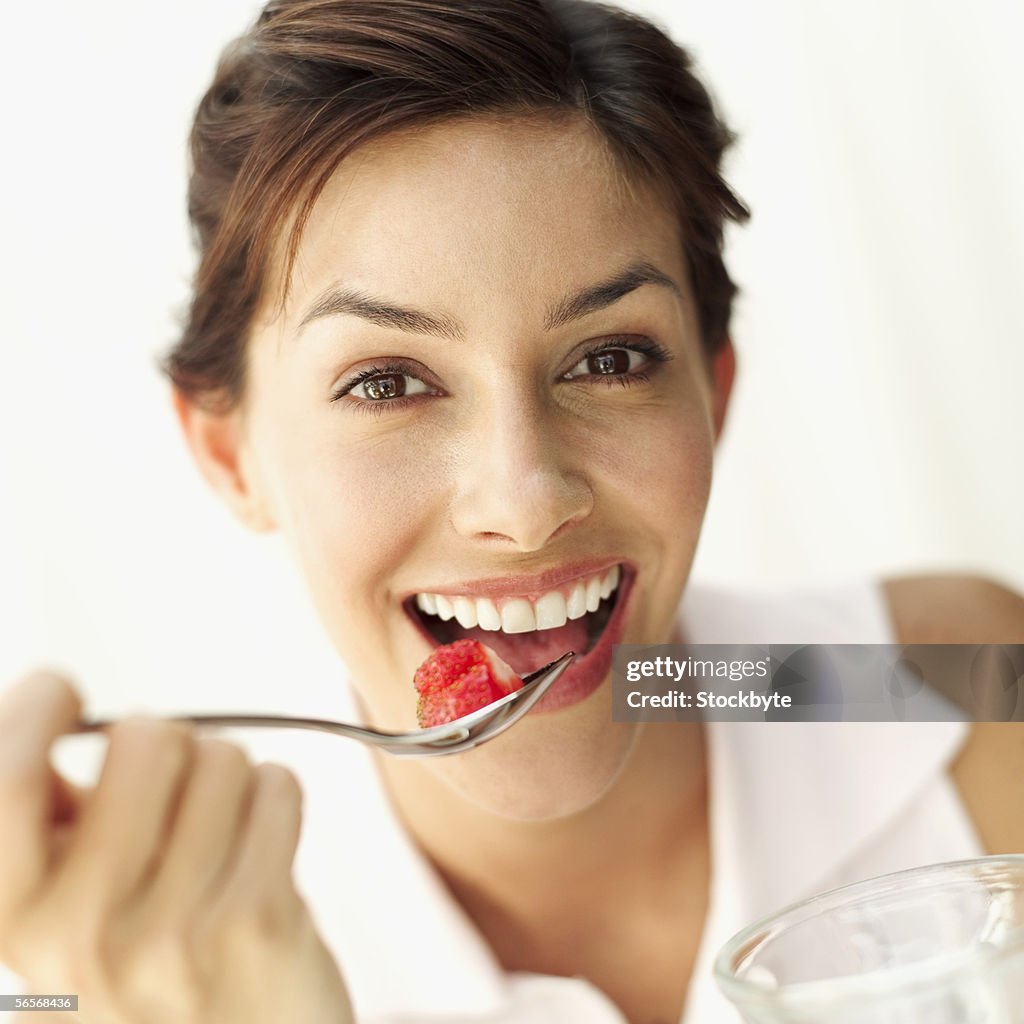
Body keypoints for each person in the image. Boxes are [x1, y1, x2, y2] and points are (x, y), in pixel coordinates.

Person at [1, 1, 1022, 1021]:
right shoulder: (153, 967)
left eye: (609, 360)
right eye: (388, 382)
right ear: (230, 454)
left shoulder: (940, 682)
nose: (526, 503)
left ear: (712, 393)